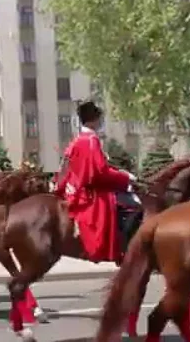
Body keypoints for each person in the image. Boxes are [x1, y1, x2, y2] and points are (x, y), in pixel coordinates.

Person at [56, 101, 135, 263]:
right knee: (132, 203)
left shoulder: (77, 140)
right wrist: (125, 177)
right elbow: (99, 173)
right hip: (91, 192)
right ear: (93, 120)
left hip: (75, 188)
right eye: (99, 119)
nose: (100, 122)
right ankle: (123, 247)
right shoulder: (91, 140)